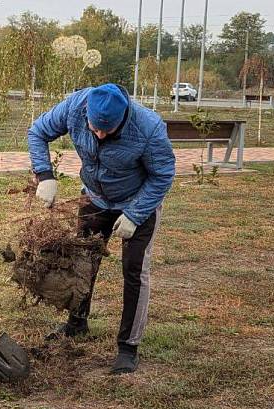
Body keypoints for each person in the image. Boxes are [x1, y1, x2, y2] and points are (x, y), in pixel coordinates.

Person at [28, 83, 175, 374]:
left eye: (108, 132)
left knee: (134, 270)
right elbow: (38, 132)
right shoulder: (75, 105)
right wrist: (44, 173)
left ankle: (128, 346)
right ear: (87, 114)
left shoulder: (148, 127)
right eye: (95, 128)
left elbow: (162, 174)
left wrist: (134, 214)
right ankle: (77, 322)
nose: (99, 136)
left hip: (138, 200)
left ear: (124, 117)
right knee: (82, 262)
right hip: (95, 196)